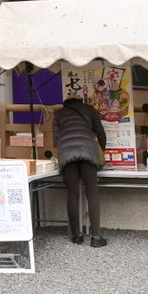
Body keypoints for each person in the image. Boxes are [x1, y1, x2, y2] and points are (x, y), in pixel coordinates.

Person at [53, 94, 108, 247]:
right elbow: (100, 133)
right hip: (88, 152)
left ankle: (76, 236)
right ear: (80, 101)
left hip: (67, 154)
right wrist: (101, 151)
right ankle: (96, 237)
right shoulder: (89, 109)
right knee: (92, 193)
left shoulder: (59, 114)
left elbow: (56, 139)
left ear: (65, 104)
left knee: (73, 194)